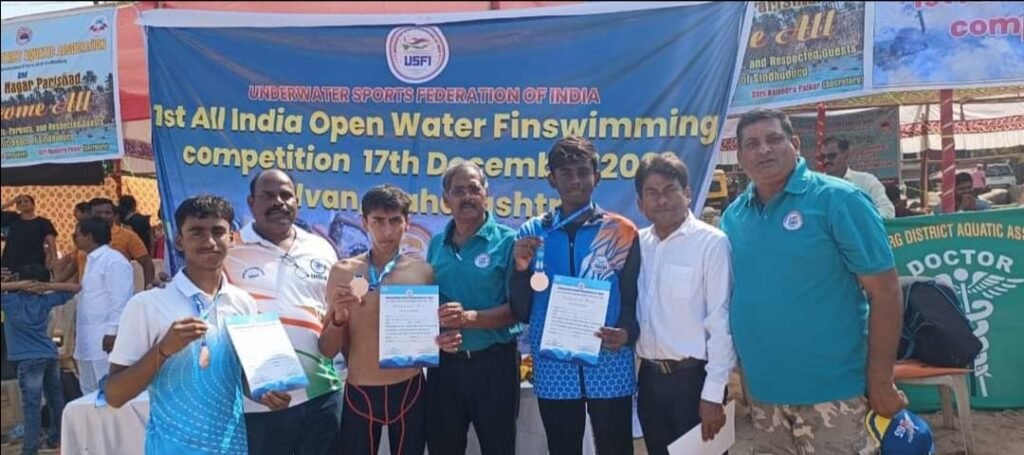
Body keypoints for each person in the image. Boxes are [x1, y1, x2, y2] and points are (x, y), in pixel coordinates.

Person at [722, 109, 906, 454]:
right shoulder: (734, 217)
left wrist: (881, 381)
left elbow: (886, 293)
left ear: (795, 144)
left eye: (774, 139)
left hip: (834, 393)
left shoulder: (839, 200)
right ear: (740, 156)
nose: (764, 150)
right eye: (752, 144)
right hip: (766, 395)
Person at [106, 195, 291, 454]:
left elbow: (238, 377)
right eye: (197, 232)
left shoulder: (243, 303)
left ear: (231, 238)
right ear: (179, 240)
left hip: (232, 448)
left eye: (218, 232)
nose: (210, 242)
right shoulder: (147, 305)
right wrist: (163, 350)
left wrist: (264, 393)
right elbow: (114, 395)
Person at [508, 137, 640, 455]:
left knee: (616, 448)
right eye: (565, 173)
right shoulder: (532, 233)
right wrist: (521, 271)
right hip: (554, 367)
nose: (575, 180)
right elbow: (521, 310)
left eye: (583, 171)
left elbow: (634, 299)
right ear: (551, 179)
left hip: (609, 364)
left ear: (598, 176)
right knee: (563, 448)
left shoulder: (621, 232)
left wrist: (626, 332)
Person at [320, 185, 458, 455]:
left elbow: (432, 335)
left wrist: (444, 338)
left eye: (395, 220)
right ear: (364, 222)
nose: (387, 230)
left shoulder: (423, 272)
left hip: (409, 392)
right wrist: (339, 318)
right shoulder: (342, 272)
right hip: (361, 394)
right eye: (378, 221)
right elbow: (327, 350)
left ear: (407, 223)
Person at [224, 169, 343, 455]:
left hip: (322, 395)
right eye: (268, 195)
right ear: (251, 203)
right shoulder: (228, 250)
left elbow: (331, 318)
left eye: (286, 195)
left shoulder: (321, 249)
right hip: (260, 401)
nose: (278, 202)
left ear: (297, 202)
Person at [633, 153, 735, 455]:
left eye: (670, 190)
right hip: (649, 381)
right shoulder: (637, 245)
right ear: (640, 203)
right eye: (652, 193)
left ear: (687, 194)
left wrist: (713, 393)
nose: (662, 200)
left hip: (694, 381)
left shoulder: (712, 243)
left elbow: (721, 321)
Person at [425, 163, 522, 455]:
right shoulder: (435, 244)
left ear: (485, 193)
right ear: (446, 199)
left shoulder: (509, 241)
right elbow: (427, 303)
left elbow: (517, 310)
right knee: (443, 448)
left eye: (473, 189)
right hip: (445, 368)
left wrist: (468, 319)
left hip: (494, 365)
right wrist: (436, 328)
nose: (467, 196)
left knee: (499, 448)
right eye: (458, 191)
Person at [1, 264, 80, 455]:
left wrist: (18, 285)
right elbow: (75, 288)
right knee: (56, 400)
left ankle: (30, 449)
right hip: (49, 354)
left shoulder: (10, 301)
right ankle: (57, 439)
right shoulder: (44, 300)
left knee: (31, 405)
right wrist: (46, 286)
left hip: (27, 359)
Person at [71, 216, 134, 395]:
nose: (74, 239)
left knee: (108, 391)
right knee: (88, 392)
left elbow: (120, 300)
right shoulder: (90, 260)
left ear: (89, 237)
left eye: (77, 235)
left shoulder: (113, 261)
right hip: (87, 339)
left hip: (104, 339)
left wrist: (112, 332)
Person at [820, 136, 896, 218]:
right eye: (822, 157)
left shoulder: (866, 182)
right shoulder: (815, 186)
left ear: (846, 154)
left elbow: (888, 211)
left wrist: (858, 218)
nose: (826, 161)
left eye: (831, 156)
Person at [1, 195, 58, 272]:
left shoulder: (43, 222)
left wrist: (54, 261)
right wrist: (11, 202)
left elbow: (51, 243)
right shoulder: (12, 218)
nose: (23, 203)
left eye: (26, 201)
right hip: (10, 263)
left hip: (34, 264)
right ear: (17, 207)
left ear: (33, 205)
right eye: (19, 202)